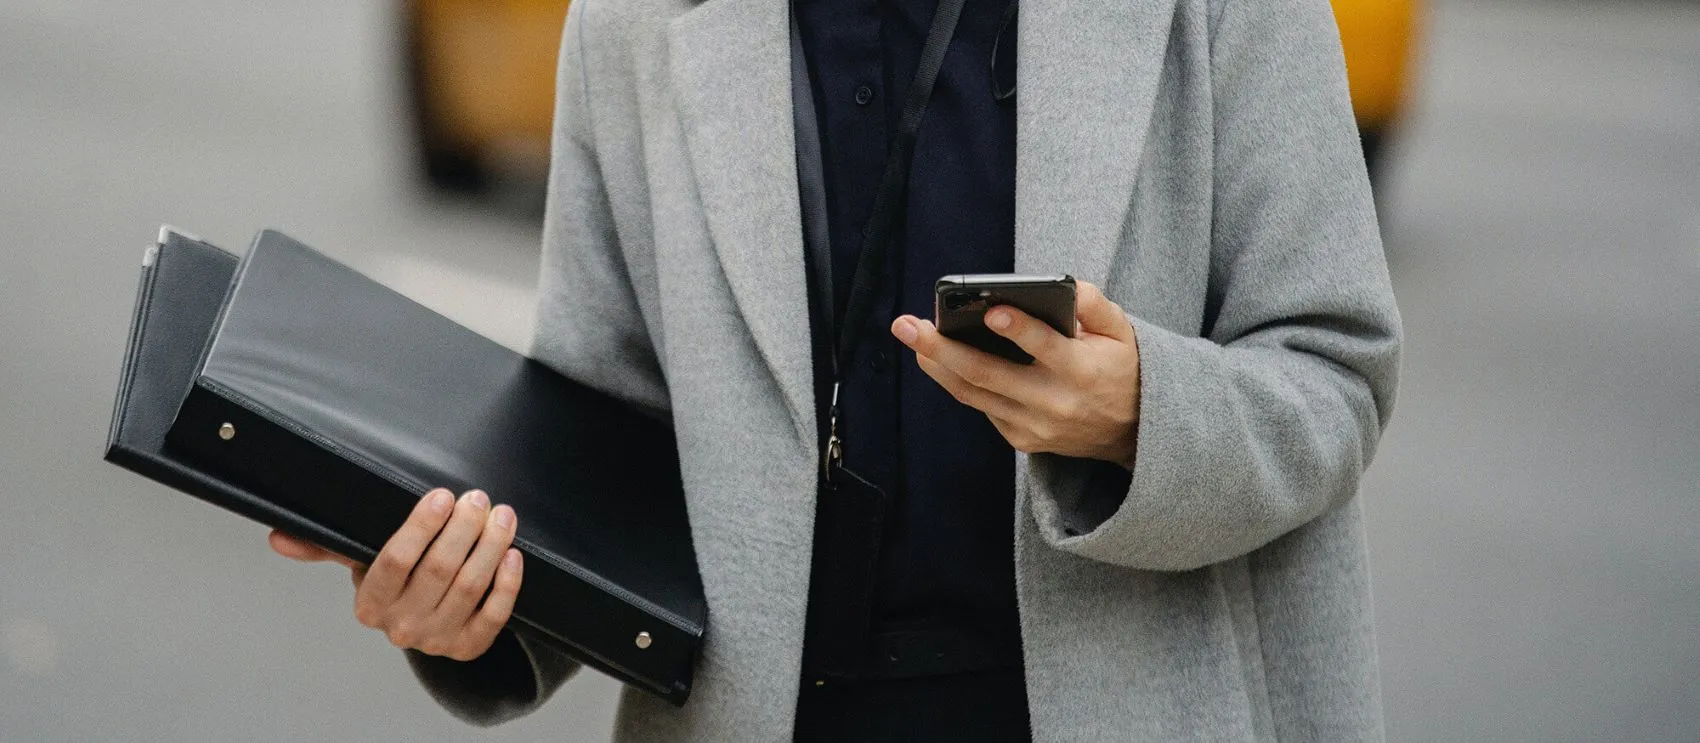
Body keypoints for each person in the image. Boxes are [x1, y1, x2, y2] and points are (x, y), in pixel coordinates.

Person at [272, 0, 1403, 737]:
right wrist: (476, 598)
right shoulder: (633, 24)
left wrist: (1139, 416)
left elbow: (1332, 368)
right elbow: (601, 447)